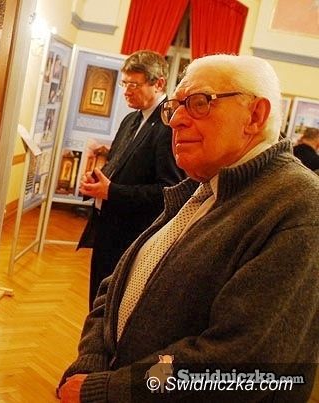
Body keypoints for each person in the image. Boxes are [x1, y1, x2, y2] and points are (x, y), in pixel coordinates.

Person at [59, 54, 319, 402]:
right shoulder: (202, 186)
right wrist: (92, 360)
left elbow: (237, 363)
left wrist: (110, 389)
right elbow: (115, 285)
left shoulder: (299, 206)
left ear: (255, 116)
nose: (176, 120)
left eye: (199, 103)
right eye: (175, 106)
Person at [77, 50, 184, 309]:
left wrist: (111, 191)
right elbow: (121, 162)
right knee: (97, 303)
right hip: (107, 227)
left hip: (132, 236)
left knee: (114, 307)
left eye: (133, 85)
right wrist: (98, 179)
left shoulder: (168, 126)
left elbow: (169, 190)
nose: (125, 91)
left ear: (158, 83)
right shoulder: (131, 119)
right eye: (124, 83)